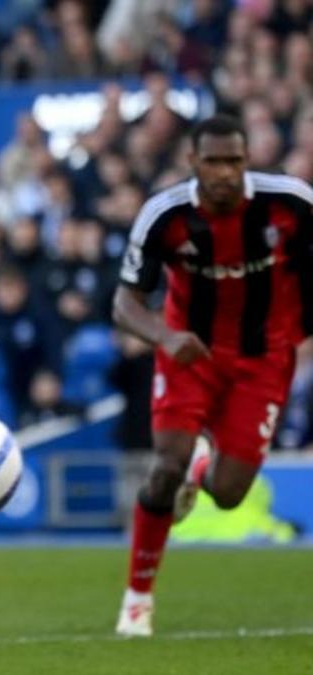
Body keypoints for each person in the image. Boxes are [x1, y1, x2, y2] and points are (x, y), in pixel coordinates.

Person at [113, 114, 313, 638]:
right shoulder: (164, 214)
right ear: (192, 162)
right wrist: (164, 336)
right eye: (214, 161)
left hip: (265, 360)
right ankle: (137, 600)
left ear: (247, 161)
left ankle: (203, 470)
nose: (225, 172)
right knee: (165, 466)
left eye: (235, 161)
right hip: (189, 352)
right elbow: (124, 302)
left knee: (228, 494)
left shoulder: (291, 204)